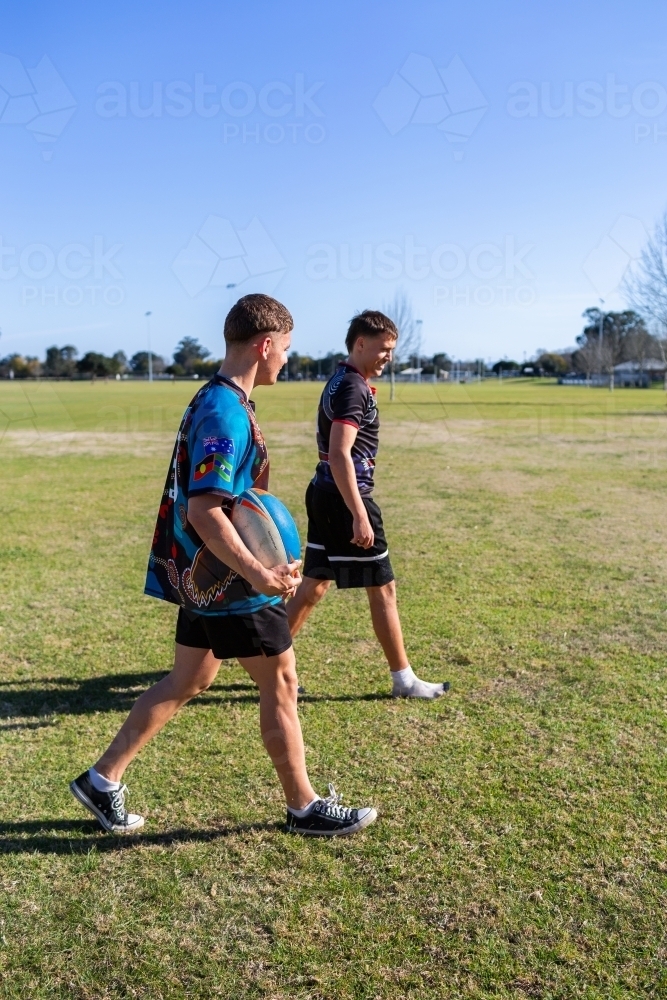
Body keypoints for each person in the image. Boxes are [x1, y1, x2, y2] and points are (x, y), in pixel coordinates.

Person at [69, 294, 376, 838]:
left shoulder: (218, 398)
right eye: (284, 348)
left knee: (191, 676)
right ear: (264, 346)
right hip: (230, 583)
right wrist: (261, 574)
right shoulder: (224, 411)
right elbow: (205, 508)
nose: (285, 358)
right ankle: (304, 808)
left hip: (207, 579)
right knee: (281, 679)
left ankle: (102, 779)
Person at [287, 310, 448, 700]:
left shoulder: (343, 379)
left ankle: (264, 659)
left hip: (326, 493)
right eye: (382, 349)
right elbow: (341, 454)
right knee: (383, 589)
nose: (388, 357)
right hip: (345, 498)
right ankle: (404, 680)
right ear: (360, 344)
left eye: (392, 350)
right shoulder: (352, 388)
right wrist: (360, 514)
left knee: (313, 587)